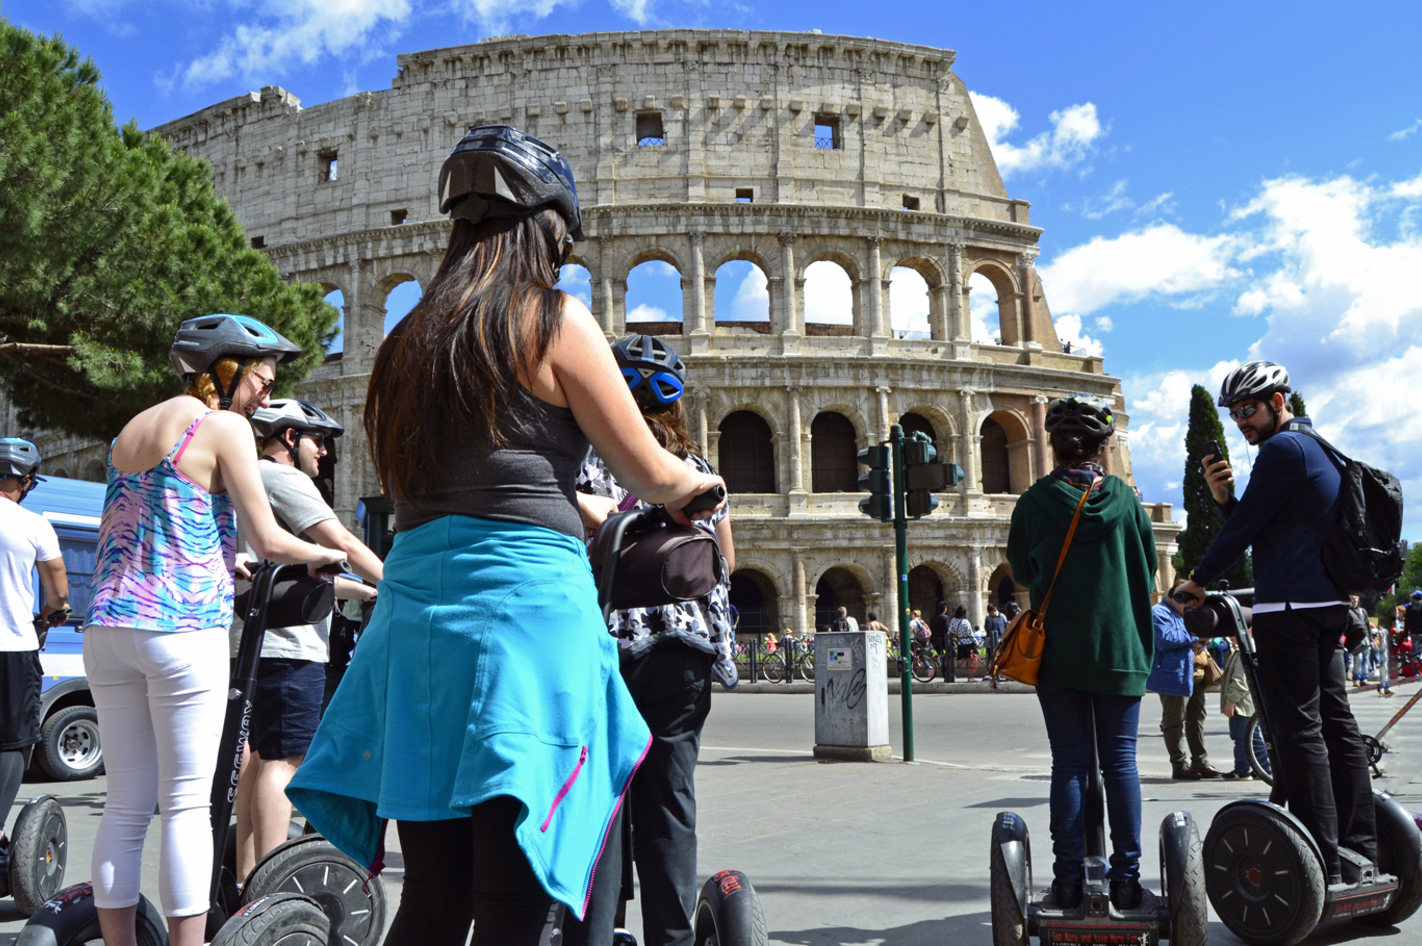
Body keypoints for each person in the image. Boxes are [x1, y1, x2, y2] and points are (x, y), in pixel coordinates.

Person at [285, 126, 725, 946]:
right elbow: (650, 474)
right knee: (518, 903)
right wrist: (701, 486)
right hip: (525, 617)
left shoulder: (405, 345)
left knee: (435, 896)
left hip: (415, 619)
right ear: (549, 232)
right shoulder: (554, 321)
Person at [82, 314, 345, 946]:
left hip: (110, 625)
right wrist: (320, 556)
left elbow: (138, 528)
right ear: (223, 370)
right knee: (185, 806)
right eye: (261, 378)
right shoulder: (222, 424)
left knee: (124, 803)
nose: (263, 394)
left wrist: (222, 559)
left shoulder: (129, 431)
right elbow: (269, 534)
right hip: (181, 631)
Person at [1177, 360, 1374, 885]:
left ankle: (1323, 861)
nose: (1242, 421)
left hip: (1288, 611)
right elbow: (1266, 526)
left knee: (1299, 733)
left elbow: (1246, 528)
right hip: (1327, 607)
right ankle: (1361, 846)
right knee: (1337, 726)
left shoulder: (1282, 450)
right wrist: (1224, 500)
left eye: (1249, 409)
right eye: (1235, 412)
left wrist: (1197, 578)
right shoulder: (1315, 448)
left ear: (1279, 401)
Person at [568, 333, 735, 946]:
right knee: (668, 802)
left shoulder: (581, 459)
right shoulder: (697, 471)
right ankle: (672, 937)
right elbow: (723, 563)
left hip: (601, 646)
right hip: (682, 653)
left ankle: (592, 933)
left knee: (601, 804)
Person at [1006, 394, 1158, 911]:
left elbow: (1024, 574)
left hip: (1059, 652)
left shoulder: (1033, 501)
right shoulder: (1125, 499)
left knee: (1068, 763)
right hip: (1121, 645)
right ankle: (1126, 879)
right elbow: (1149, 566)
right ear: (1103, 445)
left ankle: (1068, 880)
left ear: (1052, 448)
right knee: (1121, 763)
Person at [230, 399, 385, 883]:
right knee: (286, 761)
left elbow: (300, 574)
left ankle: (247, 879)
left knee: (258, 760)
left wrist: (365, 589)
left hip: (251, 641)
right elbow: (342, 543)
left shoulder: (240, 480)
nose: (324, 454)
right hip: (289, 646)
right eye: (319, 441)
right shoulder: (284, 479)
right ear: (291, 438)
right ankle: (275, 884)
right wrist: (403, 588)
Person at [0, 439, 68, 881]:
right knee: (13, 740)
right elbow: (58, 590)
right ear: (24, 480)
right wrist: (52, 612)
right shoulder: (32, 524)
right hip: (11, 645)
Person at [1146, 583, 1218, 780]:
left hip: (1195, 675)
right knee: (1174, 721)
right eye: (1190, 604)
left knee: (1197, 718)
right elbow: (1165, 639)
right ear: (1178, 598)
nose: (1193, 609)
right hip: (1174, 676)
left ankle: (1200, 763)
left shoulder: (1184, 613)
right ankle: (1179, 765)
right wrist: (1196, 635)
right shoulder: (1158, 612)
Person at [1218, 637, 1258, 779]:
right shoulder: (1247, 647)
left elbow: (1241, 681)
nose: (1231, 637)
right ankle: (1262, 768)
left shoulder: (1244, 650)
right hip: (1249, 702)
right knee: (1254, 737)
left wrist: (1230, 702)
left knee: (1241, 738)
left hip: (1242, 703)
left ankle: (1242, 770)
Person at [1347, 595, 1371, 688]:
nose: (1355, 600)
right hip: (1356, 639)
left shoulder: (1363, 611)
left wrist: (1371, 639)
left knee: (1366, 659)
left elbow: (1367, 625)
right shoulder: (1348, 611)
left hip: (1365, 638)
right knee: (1358, 659)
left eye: (1356, 598)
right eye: (1353, 598)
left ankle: (1364, 678)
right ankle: (1356, 678)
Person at [929, 601, 952, 680]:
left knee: (941, 659)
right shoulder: (945, 618)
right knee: (953, 653)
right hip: (944, 640)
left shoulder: (933, 618)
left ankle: (945, 673)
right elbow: (946, 629)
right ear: (945, 609)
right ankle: (942, 658)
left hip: (935, 640)